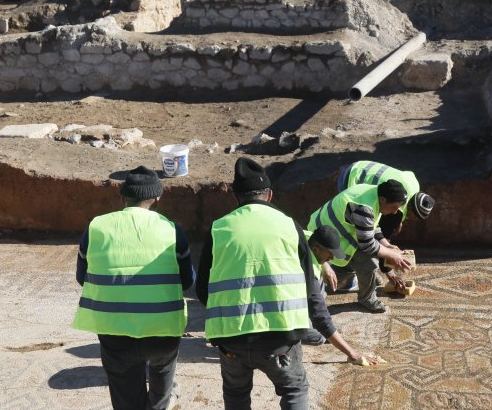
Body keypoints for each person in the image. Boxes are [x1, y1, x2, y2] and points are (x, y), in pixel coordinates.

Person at [198, 158, 337, 410]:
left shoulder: (219, 228)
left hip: (231, 339)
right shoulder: (289, 226)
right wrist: (327, 332)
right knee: (294, 390)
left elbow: (201, 290)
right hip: (280, 339)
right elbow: (310, 288)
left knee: (236, 393)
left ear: (235, 197)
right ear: (270, 195)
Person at [72, 166, 194, 410]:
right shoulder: (172, 230)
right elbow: (187, 281)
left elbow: (81, 276)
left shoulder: (96, 227)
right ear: (157, 198)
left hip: (114, 330)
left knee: (125, 395)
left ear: (122, 197)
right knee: (163, 371)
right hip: (162, 328)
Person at [307, 179, 413, 312]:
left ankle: (355, 274)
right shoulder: (364, 207)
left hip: (337, 234)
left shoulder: (374, 194)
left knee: (369, 261)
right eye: (395, 207)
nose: (395, 212)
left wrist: (386, 245)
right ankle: (367, 298)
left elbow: (372, 226)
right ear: (383, 200)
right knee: (370, 262)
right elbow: (367, 245)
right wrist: (392, 255)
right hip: (323, 241)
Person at [335, 161, 436, 292]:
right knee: (358, 235)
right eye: (414, 216)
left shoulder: (412, 190)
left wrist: (399, 221)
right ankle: (347, 278)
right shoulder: (395, 209)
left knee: (368, 231)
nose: (413, 220)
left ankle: (366, 273)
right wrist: (390, 274)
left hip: (362, 167)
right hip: (353, 178)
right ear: (409, 208)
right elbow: (379, 238)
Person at [298, 226, 380, 365]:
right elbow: (320, 317)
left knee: (320, 287)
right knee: (320, 337)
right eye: (330, 253)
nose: (332, 257)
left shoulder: (304, 236)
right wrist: (352, 353)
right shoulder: (308, 271)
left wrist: (325, 265)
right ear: (316, 249)